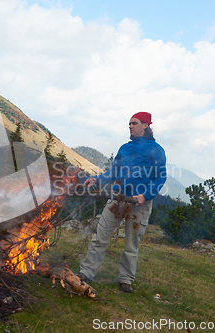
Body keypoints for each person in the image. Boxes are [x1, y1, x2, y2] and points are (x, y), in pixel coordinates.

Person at [78, 111, 167, 293]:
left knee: (131, 244)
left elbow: (160, 178)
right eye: (129, 124)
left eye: (134, 123)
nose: (130, 126)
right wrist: (97, 180)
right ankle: (86, 272)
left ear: (145, 125)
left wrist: (145, 196)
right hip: (117, 199)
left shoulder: (156, 150)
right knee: (100, 237)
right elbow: (113, 172)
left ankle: (126, 278)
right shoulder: (125, 148)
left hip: (138, 203)